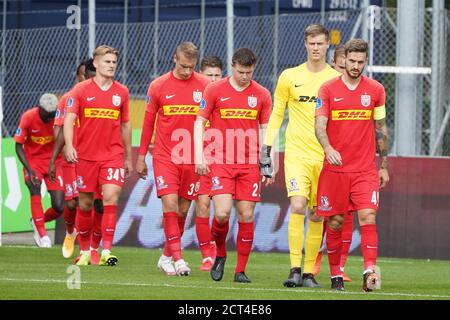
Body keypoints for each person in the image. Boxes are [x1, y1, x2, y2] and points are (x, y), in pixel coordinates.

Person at [260, 24, 341, 288]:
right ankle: (294, 268)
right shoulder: (289, 76)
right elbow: (276, 114)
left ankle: (309, 273)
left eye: (320, 43)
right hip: (296, 154)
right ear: (305, 44)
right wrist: (267, 149)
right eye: (311, 43)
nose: (316, 48)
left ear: (328, 44)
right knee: (297, 206)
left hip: (324, 158)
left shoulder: (334, 79)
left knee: (318, 214)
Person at [315, 38, 389, 292]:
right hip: (335, 169)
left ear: (366, 61)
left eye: (361, 61)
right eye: (352, 61)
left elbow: (380, 128)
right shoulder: (327, 89)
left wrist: (384, 164)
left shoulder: (376, 90)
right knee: (335, 222)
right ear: (343, 60)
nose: (356, 66)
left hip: (365, 169)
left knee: (368, 215)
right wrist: (328, 148)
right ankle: (336, 274)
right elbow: (319, 125)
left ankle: (370, 270)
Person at [194, 48, 273, 283]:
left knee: (246, 215)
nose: (244, 76)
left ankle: (240, 270)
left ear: (254, 68)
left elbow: (266, 131)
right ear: (232, 66)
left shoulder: (262, 94)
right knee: (221, 213)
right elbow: (199, 122)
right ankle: (219, 254)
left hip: (249, 165)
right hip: (220, 162)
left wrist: (267, 164)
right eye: (240, 71)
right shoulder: (214, 89)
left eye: (248, 72)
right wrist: (199, 154)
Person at [136, 42, 210, 276]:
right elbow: (148, 123)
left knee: (182, 209)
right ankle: (179, 260)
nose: (187, 71)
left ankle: (166, 256)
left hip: (193, 158)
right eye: (183, 66)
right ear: (174, 59)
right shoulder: (158, 85)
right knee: (169, 204)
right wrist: (140, 156)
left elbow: (213, 122)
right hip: (165, 156)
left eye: (191, 67)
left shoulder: (205, 86)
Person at [63, 45, 132, 266]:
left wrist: (128, 157)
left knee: (110, 199)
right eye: (107, 62)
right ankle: (84, 251)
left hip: (112, 155)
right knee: (85, 204)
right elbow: (69, 119)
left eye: (114, 62)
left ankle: (105, 251)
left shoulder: (122, 91)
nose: (111, 65)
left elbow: (126, 125)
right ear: (95, 63)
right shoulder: (81, 90)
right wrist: (69, 146)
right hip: (86, 156)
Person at [49, 59, 105, 263]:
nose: (87, 79)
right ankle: (71, 232)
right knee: (73, 204)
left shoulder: (104, 95)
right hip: (72, 159)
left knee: (99, 204)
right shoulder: (68, 99)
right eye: (83, 75)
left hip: (97, 158)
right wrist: (58, 155)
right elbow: (59, 128)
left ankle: (93, 248)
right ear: (78, 76)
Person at [313, 44, 354, 282]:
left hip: (345, 161)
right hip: (317, 154)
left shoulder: (356, 88)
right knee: (319, 213)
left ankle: (340, 266)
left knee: (345, 215)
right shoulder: (326, 87)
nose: (343, 71)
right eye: (339, 66)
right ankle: (314, 261)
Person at [14, 93, 65, 248]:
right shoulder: (28, 117)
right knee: (34, 187)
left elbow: (62, 140)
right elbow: (18, 145)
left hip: (54, 161)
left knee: (59, 206)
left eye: (53, 113)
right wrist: (29, 170)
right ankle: (43, 236)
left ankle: (37, 220)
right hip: (33, 162)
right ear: (40, 108)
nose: (51, 117)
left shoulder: (58, 118)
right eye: (48, 114)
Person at [195, 56, 224, 271]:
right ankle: (207, 256)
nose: (213, 79)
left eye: (216, 75)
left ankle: (216, 249)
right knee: (202, 205)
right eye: (209, 75)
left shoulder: (226, 96)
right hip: (201, 158)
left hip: (224, 159)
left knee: (220, 211)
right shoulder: (198, 98)